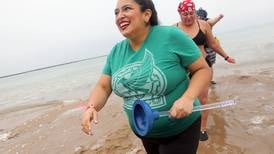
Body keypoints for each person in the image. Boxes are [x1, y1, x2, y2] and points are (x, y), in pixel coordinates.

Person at [81, 0, 211, 153]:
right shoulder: (116, 52)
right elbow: (103, 87)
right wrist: (91, 107)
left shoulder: (171, 36)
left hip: (180, 130)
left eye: (126, 9)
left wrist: (188, 98)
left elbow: (202, 70)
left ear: (146, 14)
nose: (119, 16)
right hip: (144, 131)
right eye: (116, 13)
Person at [174, 0, 235, 141]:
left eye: (191, 13)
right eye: (184, 14)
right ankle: (185, 125)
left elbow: (213, 44)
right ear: (179, 13)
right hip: (182, 69)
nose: (188, 17)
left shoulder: (204, 25)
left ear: (195, 12)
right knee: (183, 98)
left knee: (202, 99)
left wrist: (226, 57)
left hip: (202, 67)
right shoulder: (174, 29)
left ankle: (202, 128)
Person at [196, 7, 224, 84]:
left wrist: (219, 17)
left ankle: (210, 80)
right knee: (201, 66)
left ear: (203, 17)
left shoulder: (206, 23)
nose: (197, 17)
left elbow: (212, 21)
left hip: (209, 49)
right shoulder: (193, 23)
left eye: (199, 16)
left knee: (209, 66)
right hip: (200, 49)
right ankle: (205, 80)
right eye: (196, 15)